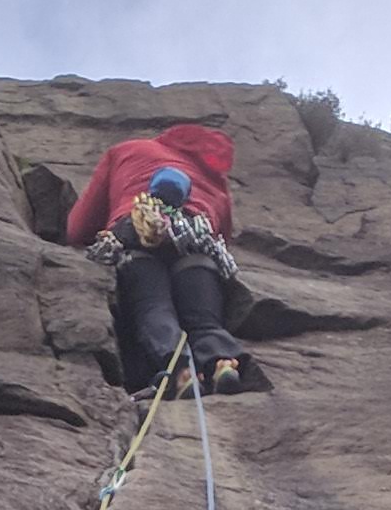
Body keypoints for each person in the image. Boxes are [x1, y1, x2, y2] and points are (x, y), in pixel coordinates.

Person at [64, 124, 251, 392]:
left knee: (153, 306)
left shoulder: (127, 151)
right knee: (203, 318)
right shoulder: (215, 180)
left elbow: (78, 228)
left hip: (138, 230)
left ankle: (182, 373)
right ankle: (222, 363)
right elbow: (224, 234)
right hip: (196, 238)